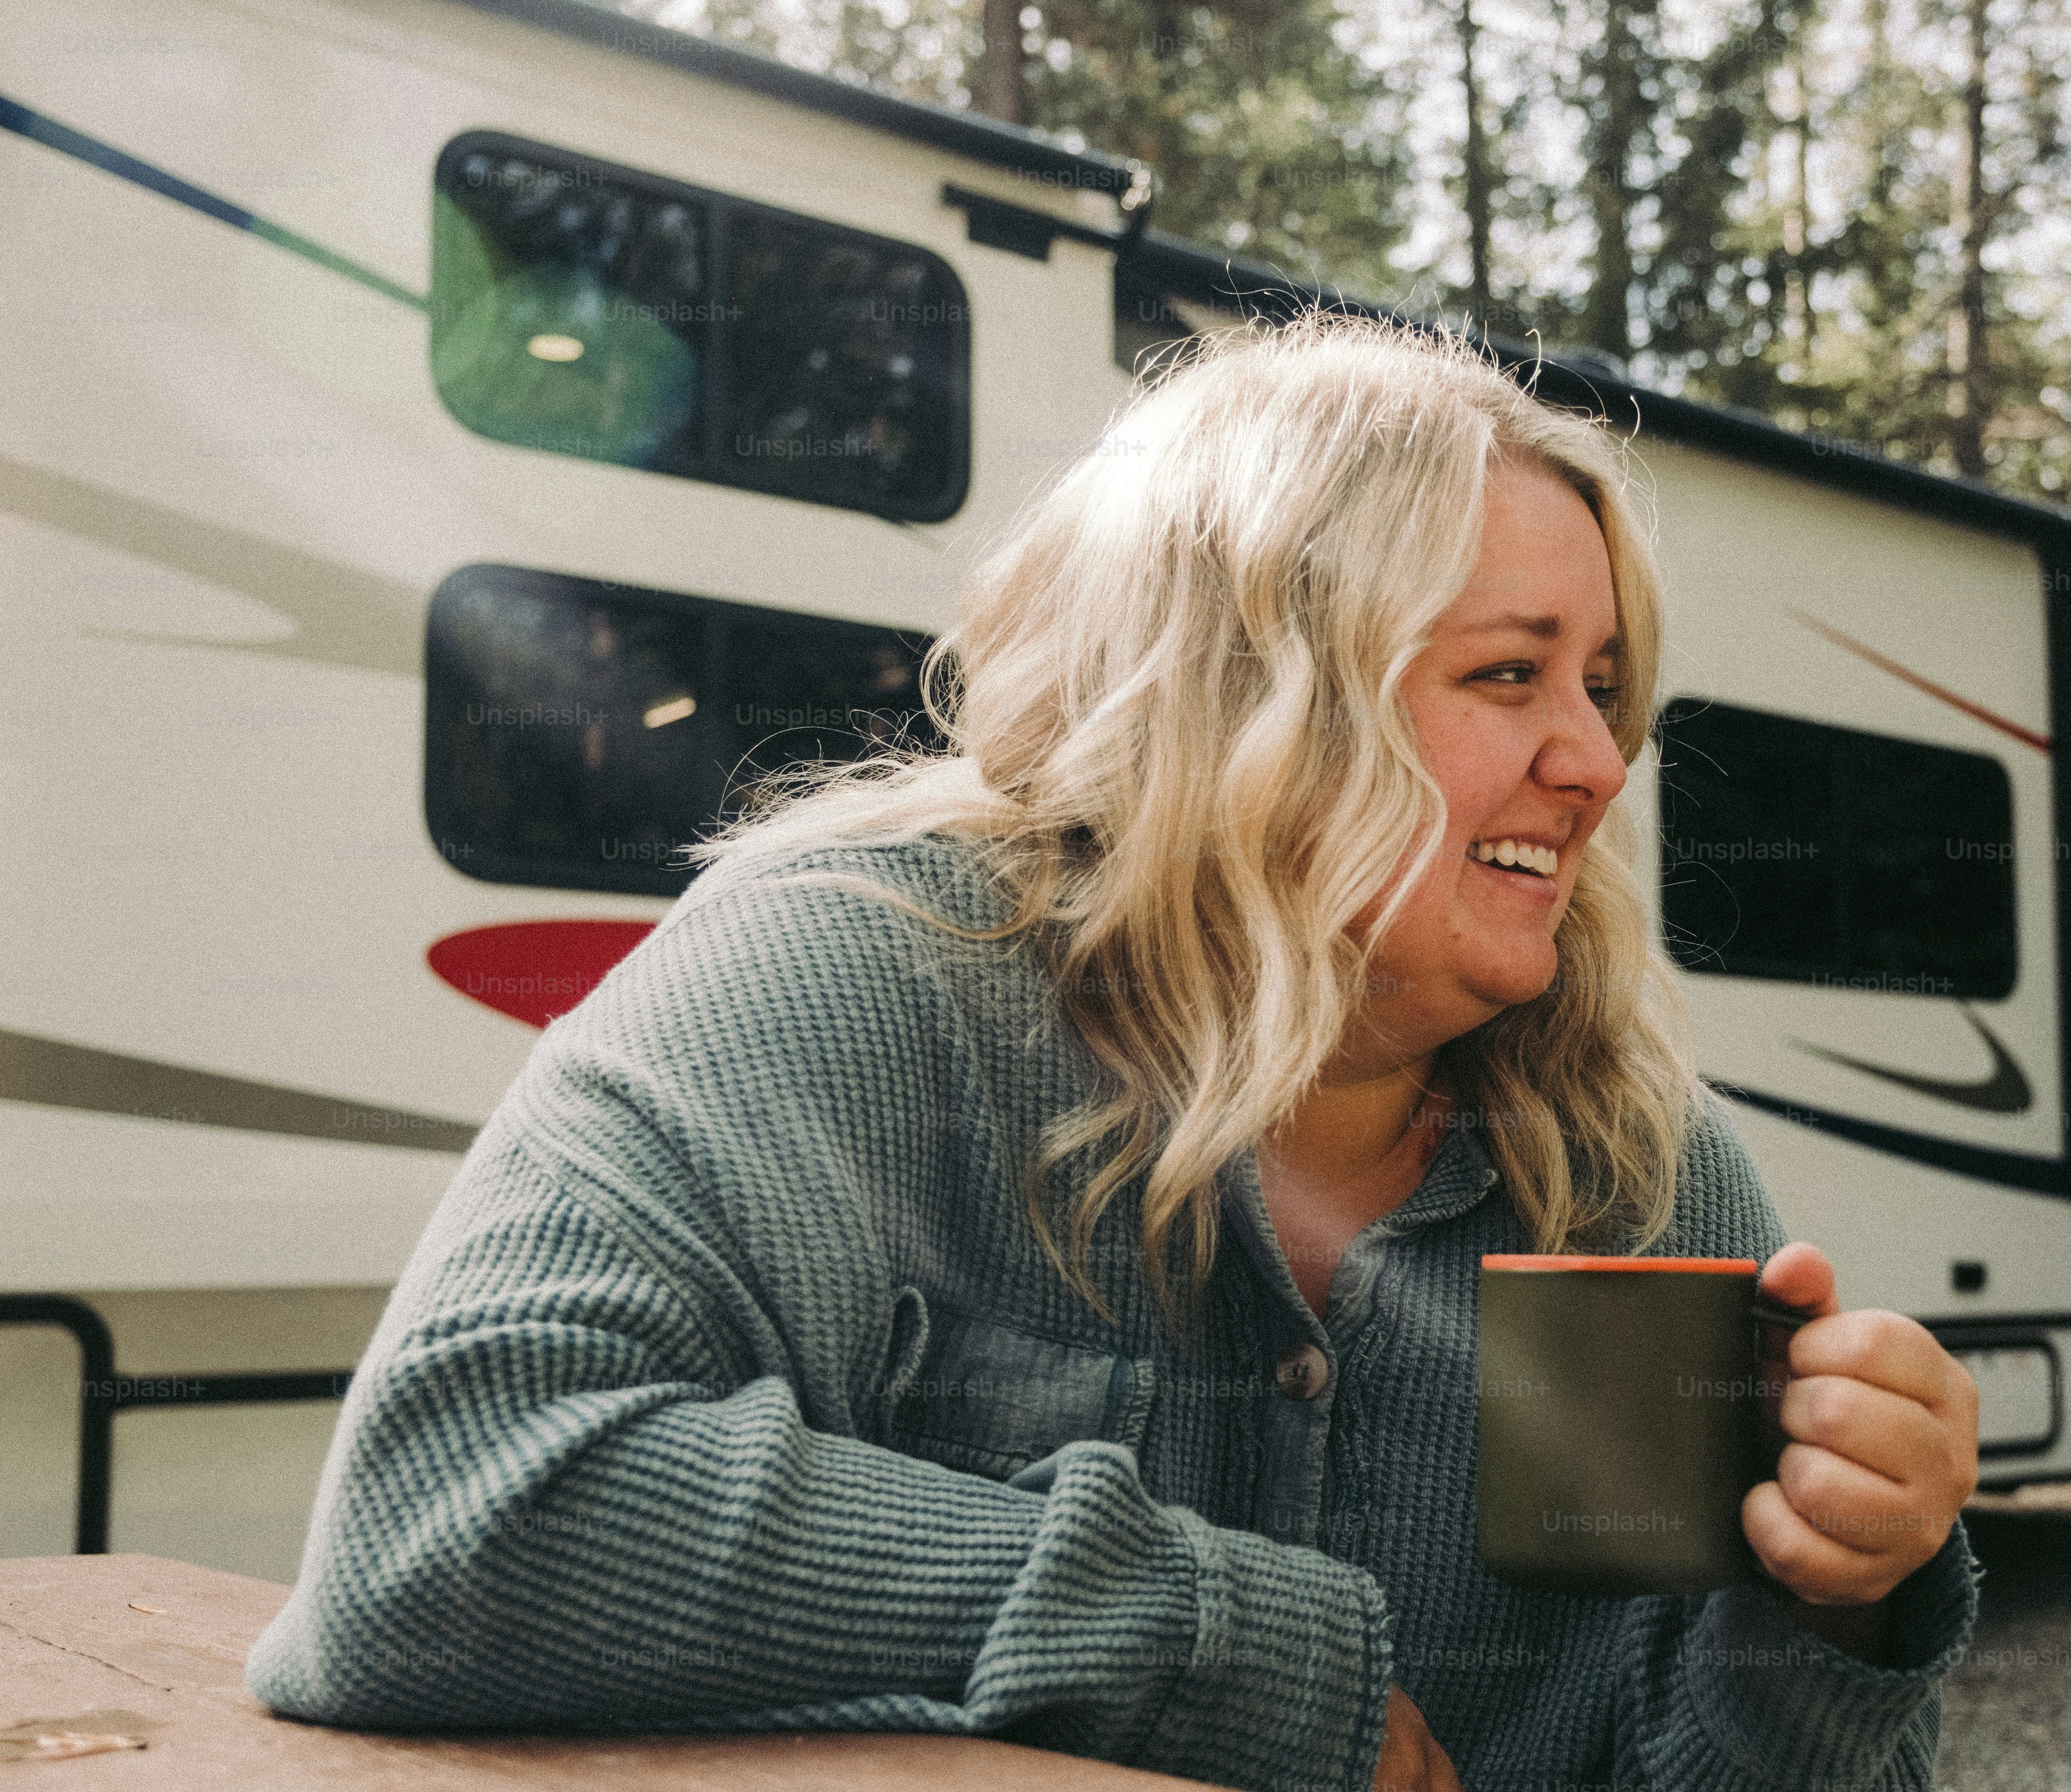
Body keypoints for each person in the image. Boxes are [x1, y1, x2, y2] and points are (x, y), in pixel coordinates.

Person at [246, 310, 1982, 1792]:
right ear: (1251, 697)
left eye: (1603, 686)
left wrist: (1834, 1599)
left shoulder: (1636, 1170)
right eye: (1511, 676)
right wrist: (1227, 1653)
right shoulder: (865, 974)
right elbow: (451, 1517)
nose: (1597, 763)